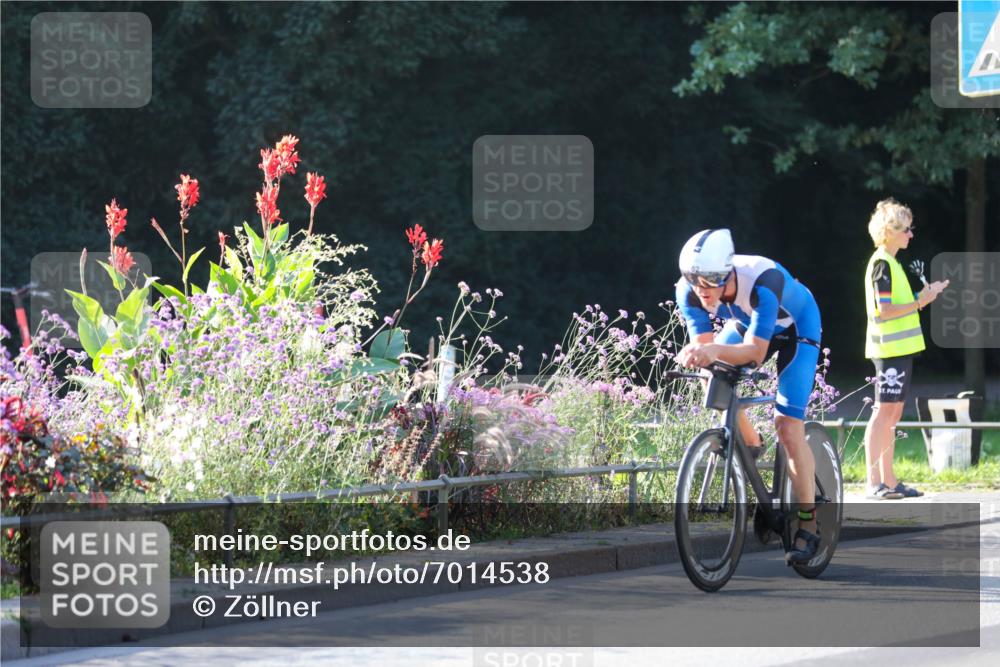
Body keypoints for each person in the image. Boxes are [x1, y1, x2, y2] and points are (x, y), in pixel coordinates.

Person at [674, 229, 823, 564]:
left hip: (797, 328)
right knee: (707, 372)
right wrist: (700, 354)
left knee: (787, 426)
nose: (702, 290)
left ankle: (808, 524)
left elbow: (755, 354)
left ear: (727, 273)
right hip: (749, 325)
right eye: (694, 280)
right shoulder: (689, 290)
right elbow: (706, 346)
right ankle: (750, 443)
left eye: (710, 281)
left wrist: (710, 350)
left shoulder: (762, 280)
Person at [862, 198, 948, 499]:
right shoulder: (882, 264)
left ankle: (890, 480)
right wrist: (920, 301)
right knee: (883, 412)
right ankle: (875, 482)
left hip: (899, 350)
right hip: (888, 350)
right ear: (891, 231)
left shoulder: (891, 263)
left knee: (892, 414)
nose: (911, 234)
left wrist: (920, 295)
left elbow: (893, 306)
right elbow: (884, 311)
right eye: (907, 229)